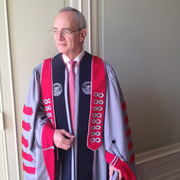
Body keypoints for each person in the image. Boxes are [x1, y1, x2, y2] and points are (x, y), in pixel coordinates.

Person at [22, 6, 137, 180]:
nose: (58, 37)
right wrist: (50, 134)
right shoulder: (43, 73)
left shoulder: (103, 72)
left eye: (65, 31)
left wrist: (116, 159)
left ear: (82, 34)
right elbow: (33, 118)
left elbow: (115, 120)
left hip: (95, 164)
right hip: (58, 162)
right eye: (55, 31)